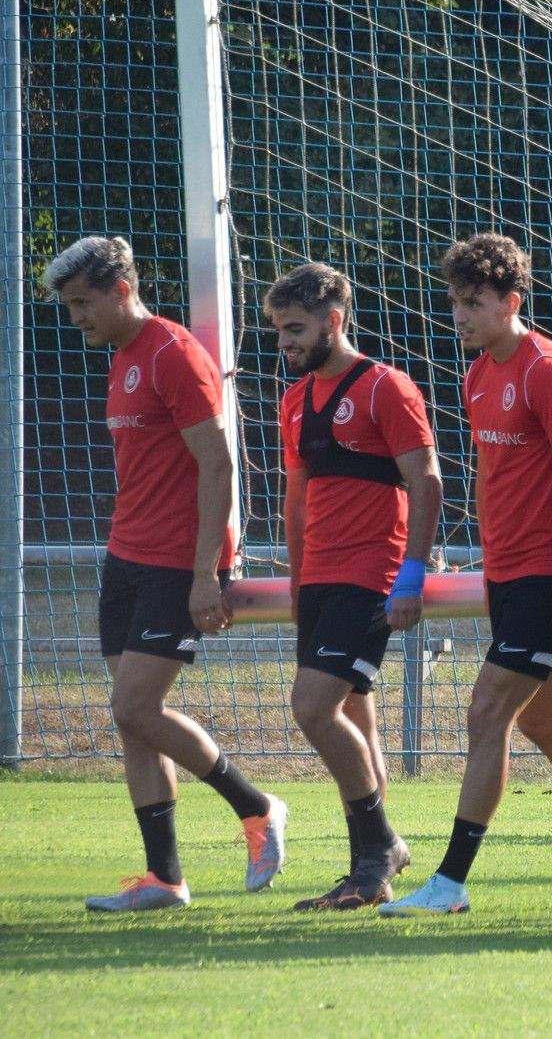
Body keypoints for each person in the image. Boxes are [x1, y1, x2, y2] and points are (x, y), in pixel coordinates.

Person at [383, 234, 552, 917]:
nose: (460, 315)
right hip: (503, 574)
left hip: (544, 574)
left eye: (474, 303)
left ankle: (451, 881)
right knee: (546, 726)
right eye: (455, 302)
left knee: (486, 710)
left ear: (512, 302)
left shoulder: (546, 371)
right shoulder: (476, 375)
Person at [46, 237, 286, 913]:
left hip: (174, 564)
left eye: (83, 303)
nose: (76, 319)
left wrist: (207, 569)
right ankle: (165, 877)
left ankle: (257, 806)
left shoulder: (175, 352)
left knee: (134, 706)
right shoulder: (123, 357)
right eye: (69, 307)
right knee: (133, 723)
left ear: (121, 290)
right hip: (125, 557)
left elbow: (218, 465)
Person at [268, 263, 439, 909]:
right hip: (318, 580)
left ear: (333, 321)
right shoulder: (294, 400)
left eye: (295, 329)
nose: (284, 343)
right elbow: (296, 499)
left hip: (371, 575)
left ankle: (381, 846)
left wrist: (412, 574)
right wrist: (294, 583)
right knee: (358, 726)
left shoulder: (385, 388)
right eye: (278, 330)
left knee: (313, 707)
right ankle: (368, 875)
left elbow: (426, 481)